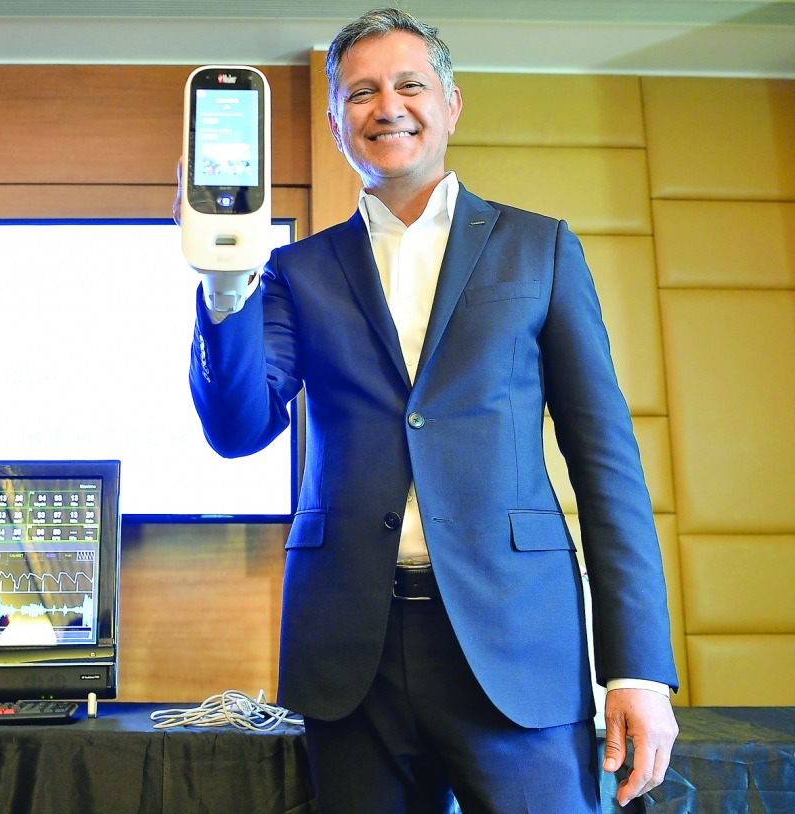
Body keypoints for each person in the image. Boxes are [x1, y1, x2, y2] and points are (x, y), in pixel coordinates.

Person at [185, 7, 679, 813]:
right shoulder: (292, 271)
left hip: (515, 639)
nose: (387, 107)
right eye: (360, 93)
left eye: (409, 85)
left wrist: (637, 669)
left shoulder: (539, 247)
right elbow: (238, 428)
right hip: (352, 652)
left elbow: (606, 463)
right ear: (339, 122)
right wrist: (220, 278)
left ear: (451, 104)